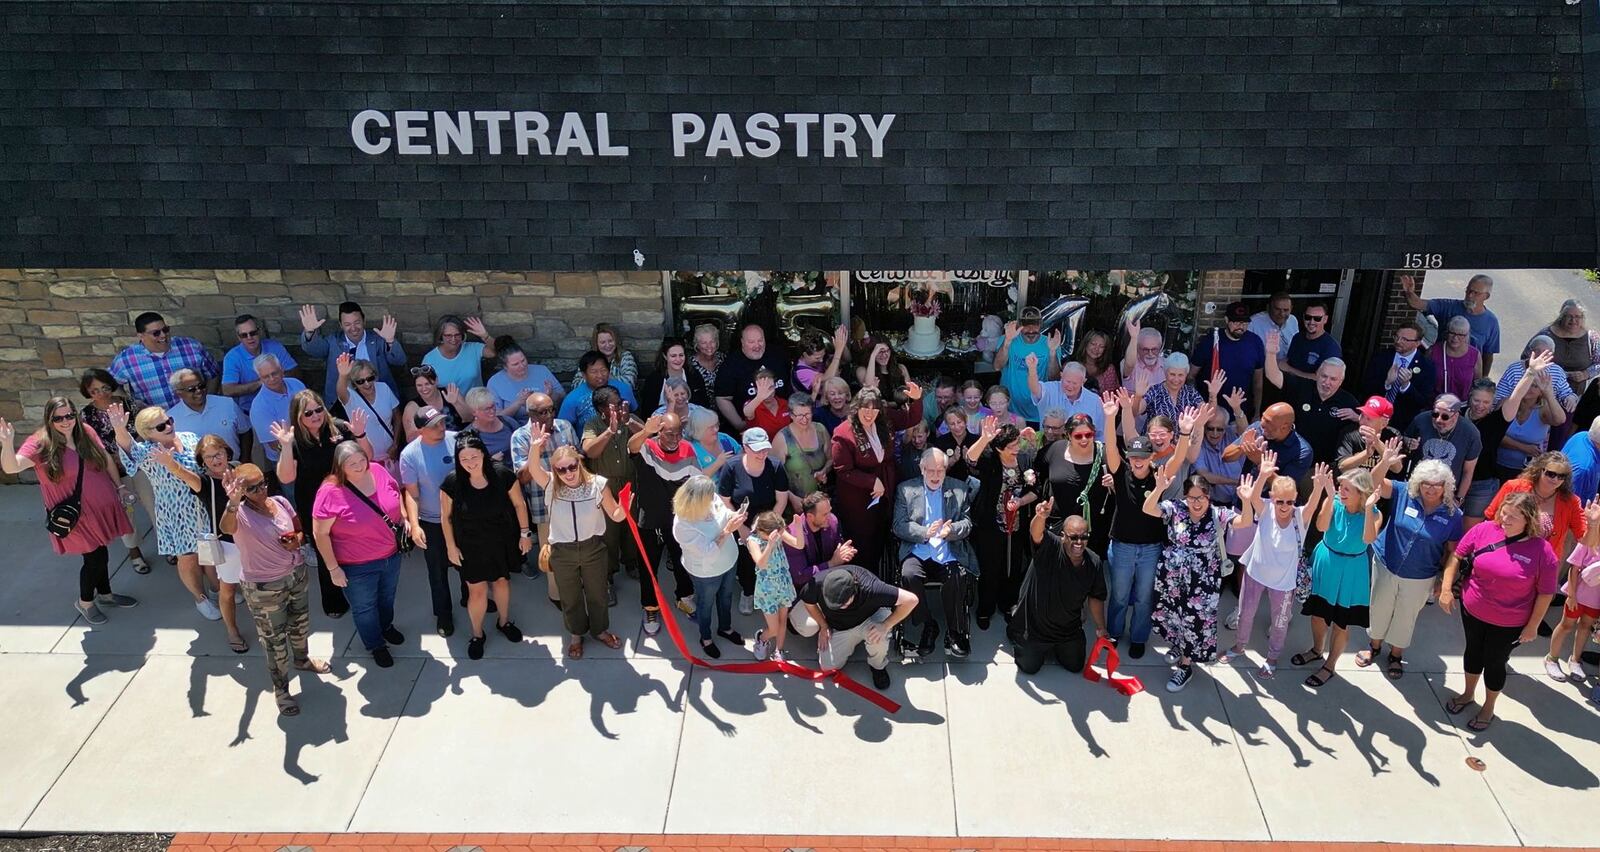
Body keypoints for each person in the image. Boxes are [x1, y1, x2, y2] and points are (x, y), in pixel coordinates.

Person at [0, 402, 137, 624]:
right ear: (49, 419)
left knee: (100, 552)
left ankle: (106, 595)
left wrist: (119, 487)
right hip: (74, 516)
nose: (65, 422)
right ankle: (85, 603)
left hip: (100, 508)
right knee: (94, 558)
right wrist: (6, 444)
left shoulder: (86, 432)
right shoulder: (39, 443)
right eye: (58, 418)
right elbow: (12, 467)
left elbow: (106, 460)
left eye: (69, 415)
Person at [1439, 491, 1559, 732]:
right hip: (1472, 610)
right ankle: (1468, 694)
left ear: (1528, 520)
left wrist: (1533, 625)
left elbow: (1546, 594)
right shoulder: (1484, 530)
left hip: (1509, 623)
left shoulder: (1542, 551)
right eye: (1504, 512)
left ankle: (1489, 707)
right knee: (1472, 652)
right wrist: (1445, 589)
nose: (1505, 519)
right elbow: (1457, 555)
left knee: (1494, 662)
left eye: (1513, 516)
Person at [221, 463, 330, 715]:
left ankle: (302, 659)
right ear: (241, 491)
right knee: (274, 642)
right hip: (264, 588)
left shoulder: (280, 502)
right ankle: (281, 691)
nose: (261, 490)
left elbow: (300, 530)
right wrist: (233, 502)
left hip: (296, 575)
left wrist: (297, 541)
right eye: (253, 487)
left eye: (263, 483)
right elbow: (226, 528)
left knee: (300, 625)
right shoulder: (238, 515)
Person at [1102, 392, 1193, 658]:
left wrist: (1185, 434)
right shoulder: (1120, 473)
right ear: (1128, 457)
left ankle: (1139, 637)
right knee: (1118, 596)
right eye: (1133, 456)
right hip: (1122, 547)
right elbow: (1110, 448)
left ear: (1151, 456)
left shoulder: (1159, 475)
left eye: (1143, 456)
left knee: (1143, 599)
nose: (1138, 460)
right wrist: (1110, 419)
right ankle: (1115, 633)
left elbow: (1177, 459)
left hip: (1152, 548)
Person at [1220, 457, 1328, 679]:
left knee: (1280, 623)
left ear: (1295, 499)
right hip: (1255, 575)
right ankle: (1239, 647)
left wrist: (1318, 487)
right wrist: (1263, 473)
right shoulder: (1265, 509)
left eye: (1289, 502)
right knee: (1245, 614)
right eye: (1280, 502)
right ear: (1273, 499)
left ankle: (1272, 658)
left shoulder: (1300, 516)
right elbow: (1253, 497)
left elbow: (1313, 505)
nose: (1285, 507)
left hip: (1284, 583)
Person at [526, 425, 628, 658]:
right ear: (555, 471)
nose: (568, 473)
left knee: (598, 594)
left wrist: (625, 510)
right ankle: (576, 635)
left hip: (593, 547)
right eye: (562, 470)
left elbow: (615, 514)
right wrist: (535, 447)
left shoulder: (598, 484)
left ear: (579, 464)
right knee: (570, 597)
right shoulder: (551, 484)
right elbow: (533, 468)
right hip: (563, 551)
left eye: (572, 467)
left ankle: (600, 631)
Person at [111, 403, 220, 621]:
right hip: (175, 513)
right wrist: (120, 429)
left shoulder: (189, 437)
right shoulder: (147, 452)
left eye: (169, 420)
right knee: (188, 558)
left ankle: (218, 591)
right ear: (147, 434)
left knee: (210, 553)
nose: (168, 426)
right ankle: (200, 599)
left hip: (201, 506)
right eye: (161, 426)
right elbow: (128, 448)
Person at [1359, 460, 1463, 680]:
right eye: (1426, 483)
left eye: (1437, 484)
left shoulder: (1454, 515)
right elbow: (1371, 483)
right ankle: (1374, 646)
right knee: (1379, 607)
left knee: (1406, 616)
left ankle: (1396, 655)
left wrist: (1444, 582)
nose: (1431, 488)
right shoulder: (1402, 492)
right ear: (1418, 482)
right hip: (1386, 563)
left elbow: (1454, 552)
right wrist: (1385, 460)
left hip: (1421, 575)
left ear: (1446, 486)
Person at [274, 390, 371, 619]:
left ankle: (361, 591)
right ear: (298, 416)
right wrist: (286, 447)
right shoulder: (294, 439)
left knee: (354, 546)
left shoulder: (339, 428)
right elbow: (286, 477)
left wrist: (360, 434)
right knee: (325, 551)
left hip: (347, 500)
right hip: (315, 506)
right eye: (308, 413)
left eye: (319, 409)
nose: (316, 415)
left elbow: (366, 458)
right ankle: (334, 600)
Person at [1142, 472, 1239, 692]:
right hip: (1173, 576)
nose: (1196, 503)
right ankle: (1179, 646)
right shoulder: (1175, 508)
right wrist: (1158, 489)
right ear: (1185, 496)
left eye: (1201, 498)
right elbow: (1148, 508)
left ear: (1208, 496)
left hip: (1202, 581)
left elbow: (1242, 523)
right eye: (1191, 497)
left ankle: (1185, 667)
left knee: (1195, 621)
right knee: (1175, 615)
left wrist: (1249, 499)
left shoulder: (1218, 514)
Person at [313, 441, 407, 667]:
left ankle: (386, 627)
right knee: (364, 607)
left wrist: (404, 518)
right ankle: (375, 644)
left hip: (391, 555)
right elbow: (320, 534)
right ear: (339, 466)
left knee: (387, 598)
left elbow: (396, 493)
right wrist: (333, 569)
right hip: (356, 565)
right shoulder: (330, 492)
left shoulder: (378, 469)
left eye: (361, 460)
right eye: (351, 463)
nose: (358, 466)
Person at [1294, 464, 1386, 689]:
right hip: (1326, 562)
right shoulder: (1333, 502)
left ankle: (1330, 665)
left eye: (1347, 489)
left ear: (1361, 493)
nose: (1341, 491)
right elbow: (1321, 525)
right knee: (1317, 614)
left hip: (1351, 569)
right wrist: (1330, 497)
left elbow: (1367, 539)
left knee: (1341, 623)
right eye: (1340, 486)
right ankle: (1317, 649)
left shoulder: (1375, 514)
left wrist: (1368, 508)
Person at [440, 432, 529, 660]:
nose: (470, 463)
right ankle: (477, 635)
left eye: (474, 457)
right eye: (464, 459)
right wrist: (450, 547)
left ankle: (504, 621)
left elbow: (519, 505)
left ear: (483, 454)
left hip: (501, 541)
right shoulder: (452, 482)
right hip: (470, 545)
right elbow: (445, 518)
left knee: (501, 582)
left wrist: (524, 533)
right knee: (476, 590)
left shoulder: (503, 475)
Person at [892, 448, 978, 658]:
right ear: (921, 469)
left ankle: (955, 631)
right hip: (918, 549)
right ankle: (928, 625)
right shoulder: (906, 489)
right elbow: (898, 525)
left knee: (958, 577)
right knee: (908, 576)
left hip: (948, 550)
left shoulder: (958, 489)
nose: (935, 475)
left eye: (940, 470)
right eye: (930, 470)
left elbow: (967, 524)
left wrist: (952, 530)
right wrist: (924, 532)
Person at [832, 384, 925, 575]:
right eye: (865, 408)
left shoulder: (885, 419)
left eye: (874, 409)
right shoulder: (843, 433)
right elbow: (843, 470)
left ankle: (881, 582)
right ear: (857, 407)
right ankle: (862, 584)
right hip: (858, 499)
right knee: (863, 542)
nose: (870, 413)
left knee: (881, 536)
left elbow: (911, 418)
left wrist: (916, 400)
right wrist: (870, 481)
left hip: (886, 488)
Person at [171, 435, 251, 653]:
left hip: (253, 540)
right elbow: (183, 475)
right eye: (209, 457)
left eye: (219, 454)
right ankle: (232, 631)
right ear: (202, 461)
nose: (215, 460)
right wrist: (169, 463)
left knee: (257, 585)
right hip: (228, 545)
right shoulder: (204, 482)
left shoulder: (240, 470)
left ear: (227, 452)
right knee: (227, 590)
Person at [1010, 506, 1108, 675]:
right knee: (1029, 667)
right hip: (1035, 629)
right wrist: (1040, 516)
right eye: (1074, 537)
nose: (1079, 542)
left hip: (1067, 630)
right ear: (1063, 537)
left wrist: (1101, 628)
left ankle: (1058, 648)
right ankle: (1015, 626)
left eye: (1084, 537)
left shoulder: (1094, 562)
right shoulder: (1050, 547)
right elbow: (1036, 533)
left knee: (1076, 666)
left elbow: (1096, 597)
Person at [627, 412, 700, 630]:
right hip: (649, 519)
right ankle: (650, 607)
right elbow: (631, 446)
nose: (674, 439)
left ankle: (684, 597)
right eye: (669, 434)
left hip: (678, 520)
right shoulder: (646, 446)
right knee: (648, 566)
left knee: (682, 560)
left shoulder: (687, 449)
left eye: (678, 434)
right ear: (659, 432)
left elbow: (694, 483)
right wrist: (646, 431)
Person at [792, 565, 919, 690]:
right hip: (840, 626)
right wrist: (823, 625)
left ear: (854, 591)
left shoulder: (872, 588)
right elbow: (809, 602)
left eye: (843, 603)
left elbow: (911, 600)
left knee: (879, 639)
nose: (841, 606)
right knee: (828, 667)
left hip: (869, 619)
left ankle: (877, 666)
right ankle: (852, 641)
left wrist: (886, 625)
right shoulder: (817, 582)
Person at [965, 419, 1040, 630]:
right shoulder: (990, 458)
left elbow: (1035, 489)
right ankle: (985, 609)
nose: (1017, 448)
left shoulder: (1024, 460)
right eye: (1012, 446)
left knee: (1013, 566)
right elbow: (971, 459)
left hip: (1016, 525)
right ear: (999, 448)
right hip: (990, 525)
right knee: (990, 567)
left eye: (1018, 443)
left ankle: (1008, 604)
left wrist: (1020, 502)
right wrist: (984, 438)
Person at [77, 369, 151, 572]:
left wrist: (131, 449)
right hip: (114, 470)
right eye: (95, 391)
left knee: (154, 504)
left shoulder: (130, 404)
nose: (101, 394)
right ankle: (134, 551)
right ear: (88, 393)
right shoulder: (86, 415)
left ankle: (169, 547)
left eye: (105, 388)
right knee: (126, 511)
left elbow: (147, 428)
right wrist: (111, 458)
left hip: (140, 464)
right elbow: (89, 445)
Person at [400, 406, 461, 636]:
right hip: (432, 521)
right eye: (434, 424)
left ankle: (469, 596)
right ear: (421, 430)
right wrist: (415, 525)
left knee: (467, 562)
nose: (441, 426)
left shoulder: (457, 440)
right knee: (437, 572)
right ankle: (443, 615)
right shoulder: (409, 455)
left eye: (442, 421)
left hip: (461, 518)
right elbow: (412, 493)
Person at [718, 426, 792, 614]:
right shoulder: (732, 466)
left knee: (770, 560)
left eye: (765, 449)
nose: (762, 453)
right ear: (745, 448)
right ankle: (748, 592)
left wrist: (769, 527)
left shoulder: (775, 466)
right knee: (746, 561)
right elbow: (725, 500)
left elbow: (781, 499)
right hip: (741, 521)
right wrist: (741, 527)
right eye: (757, 449)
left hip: (768, 522)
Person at [671, 474, 746, 659]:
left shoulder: (712, 498)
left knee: (726, 597)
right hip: (706, 571)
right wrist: (728, 530)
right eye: (710, 496)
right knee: (706, 604)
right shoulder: (682, 524)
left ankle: (725, 628)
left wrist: (735, 516)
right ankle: (706, 638)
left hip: (728, 560)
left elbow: (724, 512)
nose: (714, 498)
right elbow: (707, 551)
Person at [509, 391, 576, 595]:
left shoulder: (564, 426)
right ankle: (557, 594)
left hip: (573, 499)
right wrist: (536, 450)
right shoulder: (520, 436)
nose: (549, 414)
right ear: (531, 414)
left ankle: (575, 586)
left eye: (551, 409)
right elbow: (521, 477)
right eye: (542, 411)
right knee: (551, 552)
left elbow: (580, 455)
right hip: (543, 504)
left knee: (574, 546)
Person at [582, 386, 644, 604]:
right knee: (607, 533)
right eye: (613, 405)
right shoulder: (592, 424)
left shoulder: (630, 418)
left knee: (631, 525)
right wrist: (610, 430)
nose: (619, 407)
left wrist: (628, 423)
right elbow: (590, 451)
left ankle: (632, 563)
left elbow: (648, 436)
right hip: (605, 487)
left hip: (630, 482)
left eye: (620, 402)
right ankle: (607, 578)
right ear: (601, 408)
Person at [1262, 330, 1359, 466]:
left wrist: (1357, 418)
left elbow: (1371, 427)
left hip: (1322, 467)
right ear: (1317, 374)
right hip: (1290, 459)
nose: (1327, 382)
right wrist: (1271, 354)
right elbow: (1273, 376)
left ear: (1341, 381)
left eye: (1333, 379)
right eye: (1324, 376)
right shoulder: (1302, 387)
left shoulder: (1348, 402)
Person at [108, 311, 220, 411]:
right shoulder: (126, 359)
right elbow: (110, 384)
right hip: (159, 424)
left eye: (165, 330)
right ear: (141, 336)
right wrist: (131, 404)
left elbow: (213, 374)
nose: (163, 335)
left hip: (197, 414)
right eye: (156, 333)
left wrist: (206, 402)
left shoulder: (191, 347)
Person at [1034, 411, 1112, 554]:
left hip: (1091, 530)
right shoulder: (1055, 450)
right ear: (1068, 435)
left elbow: (1123, 481)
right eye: (1078, 436)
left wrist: (1113, 484)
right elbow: (1035, 473)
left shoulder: (1104, 453)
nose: (1084, 439)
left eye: (1089, 435)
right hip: (1058, 526)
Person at [298, 301, 406, 403]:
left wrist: (390, 341)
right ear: (341, 325)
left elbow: (399, 361)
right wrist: (309, 331)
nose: (353, 328)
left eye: (357, 322)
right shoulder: (334, 341)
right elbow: (314, 350)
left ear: (364, 321)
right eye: (347, 324)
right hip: (343, 403)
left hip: (378, 400)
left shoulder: (378, 339)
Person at [1544, 499, 1600, 681]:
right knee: (1567, 625)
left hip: (1595, 600)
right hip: (1578, 595)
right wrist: (1572, 595)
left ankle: (1575, 660)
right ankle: (1552, 658)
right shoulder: (1588, 541)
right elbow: (1574, 569)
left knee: (1585, 626)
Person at [1400, 273, 1500, 374]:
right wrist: (1409, 292)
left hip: (1466, 375)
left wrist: (1483, 382)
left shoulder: (1491, 322)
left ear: (1486, 296)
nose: (1470, 295)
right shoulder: (1448, 306)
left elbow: (1488, 355)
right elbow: (1418, 304)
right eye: (1468, 291)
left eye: (1475, 293)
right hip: (1439, 369)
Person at [220, 315, 299, 440]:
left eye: (253, 333)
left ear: (259, 331)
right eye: (244, 335)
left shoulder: (274, 347)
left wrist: (270, 380)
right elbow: (228, 390)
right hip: (250, 412)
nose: (249, 338)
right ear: (238, 337)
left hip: (286, 407)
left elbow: (294, 371)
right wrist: (262, 382)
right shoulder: (232, 358)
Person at [1494, 350, 1564, 478]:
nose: (1529, 389)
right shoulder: (1506, 403)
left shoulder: (1543, 410)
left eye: (1535, 386)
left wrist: (1549, 393)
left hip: (1527, 471)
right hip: (1497, 465)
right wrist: (1523, 447)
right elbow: (1494, 433)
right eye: (1528, 384)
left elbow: (1560, 420)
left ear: (1540, 392)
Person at [1190, 302, 1266, 418]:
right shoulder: (1210, 341)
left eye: (1244, 322)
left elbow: (1258, 383)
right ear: (1226, 320)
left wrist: (1256, 413)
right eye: (1236, 322)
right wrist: (1197, 404)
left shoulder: (1255, 342)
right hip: (1212, 414)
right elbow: (1191, 375)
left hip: (1241, 414)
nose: (1240, 326)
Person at [1402, 394, 1481, 503]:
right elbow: (1403, 440)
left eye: (1445, 416)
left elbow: (1468, 471)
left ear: (1456, 416)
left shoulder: (1471, 433)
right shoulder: (1421, 420)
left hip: (1446, 494)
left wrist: (1459, 498)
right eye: (1435, 414)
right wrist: (1407, 442)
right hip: (1417, 488)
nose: (1439, 420)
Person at [746, 511, 802, 662]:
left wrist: (799, 527)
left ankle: (779, 649)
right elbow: (761, 563)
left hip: (783, 583)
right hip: (767, 588)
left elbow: (799, 544)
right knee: (774, 628)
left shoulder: (777, 533)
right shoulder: (753, 541)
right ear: (764, 532)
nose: (780, 535)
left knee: (783, 620)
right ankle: (762, 638)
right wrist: (770, 544)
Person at [715, 322, 791, 432]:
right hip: (752, 427)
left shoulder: (778, 355)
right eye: (751, 342)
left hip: (782, 421)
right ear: (742, 342)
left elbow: (790, 383)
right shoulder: (730, 365)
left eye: (760, 340)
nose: (757, 345)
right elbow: (722, 398)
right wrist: (740, 425)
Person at [1360, 322, 1437, 432]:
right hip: (1374, 419)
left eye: (1405, 339)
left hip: (1403, 424)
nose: (1398, 341)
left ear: (1418, 343)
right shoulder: (1381, 356)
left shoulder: (1426, 366)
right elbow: (1366, 387)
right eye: (1397, 337)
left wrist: (1406, 386)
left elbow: (1423, 401)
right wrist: (1387, 383)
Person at [1544, 299, 1600, 446]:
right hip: (1545, 394)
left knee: (1564, 432)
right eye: (1569, 316)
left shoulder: (1591, 338)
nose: (1573, 320)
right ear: (1561, 316)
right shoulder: (1547, 334)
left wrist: (1586, 374)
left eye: (1578, 317)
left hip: (1576, 397)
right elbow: (1527, 357)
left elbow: (1599, 363)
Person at [995, 306, 1063, 424]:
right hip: (1010, 412)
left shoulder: (1050, 343)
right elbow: (997, 366)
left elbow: (1055, 379)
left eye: (1035, 324)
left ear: (1040, 324)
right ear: (1019, 324)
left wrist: (1052, 352)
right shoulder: (1007, 339)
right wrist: (1007, 342)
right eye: (1026, 325)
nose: (1031, 329)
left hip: (1040, 412)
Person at [1222, 401, 1314, 489]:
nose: (1262, 424)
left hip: (1272, 503)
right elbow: (1225, 457)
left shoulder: (1302, 451)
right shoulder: (1257, 429)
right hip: (1243, 498)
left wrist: (1260, 463)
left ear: (1284, 427)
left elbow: (1285, 488)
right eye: (1263, 417)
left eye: (1268, 421)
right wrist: (1243, 447)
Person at [334, 356, 403, 467]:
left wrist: (395, 444)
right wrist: (342, 375)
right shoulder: (350, 397)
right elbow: (340, 391)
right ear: (354, 383)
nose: (367, 384)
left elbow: (397, 416)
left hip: (391, 458)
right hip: (367, 460)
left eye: (370, 378)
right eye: (360, 381)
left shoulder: (384, 388)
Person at [784, 492, 858, 593]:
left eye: (830, 511)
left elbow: (838, 552)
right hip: (805, 591)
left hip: (831, 581)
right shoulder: (793, 537)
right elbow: (799, 577)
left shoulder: (832, 521)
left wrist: (845, 552)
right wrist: (831, 563)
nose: (830, 516)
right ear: (810, 517)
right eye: (825, 514)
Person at [166, 368, 250, 457]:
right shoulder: (172, 419)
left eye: (201, 386)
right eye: (192, 389)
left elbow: (245, 432)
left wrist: (245, 460)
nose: (198, 391)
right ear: (178, 393)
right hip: (196, 470)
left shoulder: (227, 404)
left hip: (235, 466)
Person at [1464, 378, 1512, 529]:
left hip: (1482, 484)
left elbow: (1515, 398)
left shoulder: (1497, 420)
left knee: (1469, 531)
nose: (1480, 406)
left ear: (1492, 402)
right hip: (1454, 479)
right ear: (1469, 396)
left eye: (1486, 402)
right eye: (1477, 400)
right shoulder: (1456, 414)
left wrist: (1530, 373)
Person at [248, 354, 308, 472]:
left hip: (309, 446)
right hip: (285, 458)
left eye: (274, 373)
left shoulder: (296, 384)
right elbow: (274, 444)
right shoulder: (259, 406)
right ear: (260, 378)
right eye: (266, 376)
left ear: (282, 370)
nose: (271, 378)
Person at [771, 393, 831, 510]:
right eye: (799, 415)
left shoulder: (820, 430)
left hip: (820, 502)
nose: (804, 419)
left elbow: (831, 458)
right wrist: (791, 497)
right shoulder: (782, 438)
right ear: (791, 415)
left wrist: (824, 471)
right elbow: (774, 476)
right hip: (794, 503)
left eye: (807, 414)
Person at [1493, 336, 1579, 414]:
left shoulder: (1557, 371)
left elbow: (1565, 393)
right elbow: (1498, 397)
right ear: (1530, 352)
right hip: (1515, 411)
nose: (1540, 355)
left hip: (1544, 414)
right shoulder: (1514, 369)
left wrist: (1570, 398)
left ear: (1551, 355)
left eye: (1546, 352)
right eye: (1537, 351)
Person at [559, 350, 639, 432]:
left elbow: (635, 414)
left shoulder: (623, 388)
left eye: (603, 370)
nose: (600, 375)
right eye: (593, 372)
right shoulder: (572, 399)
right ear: (584, 375)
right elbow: (562, 428)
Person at [1195, 388, 1249, 508]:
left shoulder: (1231, 433)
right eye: (1210, 428)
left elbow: (1246, 432)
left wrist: (1237, 408)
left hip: (1241, 500)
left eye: (1219, 429)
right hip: (1216, 504)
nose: (1215, 433)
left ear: (1226, 427)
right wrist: (1235, 482)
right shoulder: (1199, 443)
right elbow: (1205, 475)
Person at [487, 341, 564, 424]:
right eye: (515, 364)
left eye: (523, 360)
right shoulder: (495, 382)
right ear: (505, 366)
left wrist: (550, 395)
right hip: (514, 427)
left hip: (546, 422)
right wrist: (518, 403)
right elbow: (495, 417)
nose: (522, 366)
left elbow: (563, 396)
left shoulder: (542, 370)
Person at [1030, 360, 1106, 437]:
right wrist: (1032, 369)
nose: (1070, 386)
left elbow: (1101, 433)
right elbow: (1035, 389)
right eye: (1068, 381)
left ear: (1083, 381)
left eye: (1074, 383)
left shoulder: (1095, 401)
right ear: (1061, 375)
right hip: (1050, 445)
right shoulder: (1050, 390)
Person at [421, 315, 496, 392]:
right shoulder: (429, 359)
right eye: (448, 335)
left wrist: (485, 336)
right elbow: (426, 389)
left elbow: (494, 352)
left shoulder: (473, 348)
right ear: (440, 336)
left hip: (477, 401)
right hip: (449, 403)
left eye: (457, 335)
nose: (453, 339)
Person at [638, 337, 713, 413]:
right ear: (665, 356)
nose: (678, 359)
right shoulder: (654, 379)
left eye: (681, 355)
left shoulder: (694, 375)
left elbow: (704, 405)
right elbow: (647, 411)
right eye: (673, 356)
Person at [1336, 396, 1403, 477]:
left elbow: (1397, 469)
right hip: (1353, 483)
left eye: (1368, 419)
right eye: (1362, 416)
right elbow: (1342, 467)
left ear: (1383, 424)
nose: (1362, 421)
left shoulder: (1392, 436)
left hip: (1380, 485)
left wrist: (1377, 443)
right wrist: (1367, 454)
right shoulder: (1349, 433)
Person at [1134, 352, 1204, 426]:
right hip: (1155, 437)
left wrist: (1213, 395)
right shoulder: (1155, 391)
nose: (1176, 379)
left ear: (1186, 375)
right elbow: (1135, 412)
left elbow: (1207, 415)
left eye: (1180, 375)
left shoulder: (1191, 393)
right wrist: (1138, 396)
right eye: (1172, 374)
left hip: (1183, 437)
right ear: (1165, 372)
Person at [402, 364, 466, 442]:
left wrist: (456, 403)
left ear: (436, 381)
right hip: (434, 446)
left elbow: (470, 418)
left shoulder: (450, 392)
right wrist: (428, 428)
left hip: (460, 442)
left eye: (427, 384)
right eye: (419, 385)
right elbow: (410, 439)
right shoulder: (412, 407)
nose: (424, 389)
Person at [1284, 302, 1341, 381]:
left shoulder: (1331, 347)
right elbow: (1288, 361)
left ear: (1325, 319)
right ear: (1303, 317)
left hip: (1312, 392)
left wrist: (1289, 369)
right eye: (1308, 317)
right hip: (1290, 389)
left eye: (1317, 318)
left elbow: (1320, 378)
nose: (1311, 322)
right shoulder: (1297, 338)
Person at [570, 322, 637, 391]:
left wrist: (601, 379)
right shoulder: (589, 358)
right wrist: (601, 380)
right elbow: (575, 385)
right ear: (596, 343)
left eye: (610, 341)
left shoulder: (625, 356)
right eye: (603, 342)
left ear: (616, 341)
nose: (607, 345)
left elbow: (630, 383)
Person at [460, 387, 519, 464]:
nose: (492, 411)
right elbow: (469, 465)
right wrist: (491, 462)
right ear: (474, 412)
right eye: (487, 409)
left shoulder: (508, 422)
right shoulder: (468, 436)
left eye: (493, 406)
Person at [1434, 316, 1483, 401]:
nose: (1455, 338)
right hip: (1435, 406)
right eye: (1452, 333)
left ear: (1467, 335)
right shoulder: (1433, 351)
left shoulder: (1475, 355)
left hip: (1462, 407)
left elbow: (1477, 385)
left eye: (1460, 335)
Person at [792, 327, 849, 399]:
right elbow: (828, 379)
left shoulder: (821, 357)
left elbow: (847, 359)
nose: (821, 360)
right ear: (804, 354)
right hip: (816, 406)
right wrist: (838, 351)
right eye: (817, 358)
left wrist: (842, 345)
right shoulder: (801, 372)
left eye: (823, 356)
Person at [856, 338, 912, 407]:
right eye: (880, 352)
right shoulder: (862, 370)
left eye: (887, 351)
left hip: (900, 413)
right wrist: (873, 356)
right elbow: (869, 387)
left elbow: (909, 397)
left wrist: (890, 404)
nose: (884, 355)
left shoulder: (901, 369)